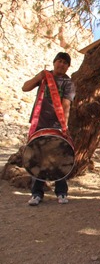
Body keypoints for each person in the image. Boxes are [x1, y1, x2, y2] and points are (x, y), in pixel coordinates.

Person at [22, 52, 75, 206]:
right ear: (54, 62)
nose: (61, 65)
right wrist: (39, 77)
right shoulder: (44, 77)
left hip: (56, 125)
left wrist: (64, 126)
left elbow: (66, 105)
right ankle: (37, 193)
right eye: (59, 61)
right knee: (38, 158)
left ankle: (61, 192)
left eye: (65, 63)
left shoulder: (68, 83)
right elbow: (25, 88)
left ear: (68, 67)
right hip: (40, 124)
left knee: (59, 158)